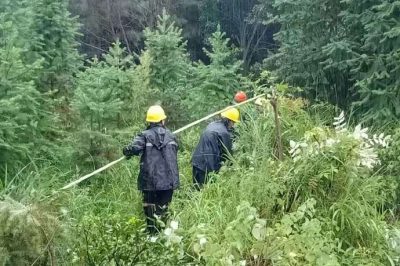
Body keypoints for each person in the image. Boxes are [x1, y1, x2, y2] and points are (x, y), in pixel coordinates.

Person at [122, 105, 179, 233]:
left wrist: (126, 151)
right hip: (168, 181)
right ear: (162, 120)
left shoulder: (144, 136)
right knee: (163, 208)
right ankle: (162, 235)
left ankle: (152, 235)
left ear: (149, 121)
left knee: (150, 209)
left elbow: (134, 148)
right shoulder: (172, 136)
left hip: (150, 181)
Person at [191, 107, 240, 189]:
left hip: (197, 160)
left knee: (196, 189)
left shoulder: (212, 125)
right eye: (233, 122)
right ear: (229, 120)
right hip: (208, 165)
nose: (233, 125)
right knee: (208, 191)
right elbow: (228, 154)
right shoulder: (224, 133)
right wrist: (232, 165)